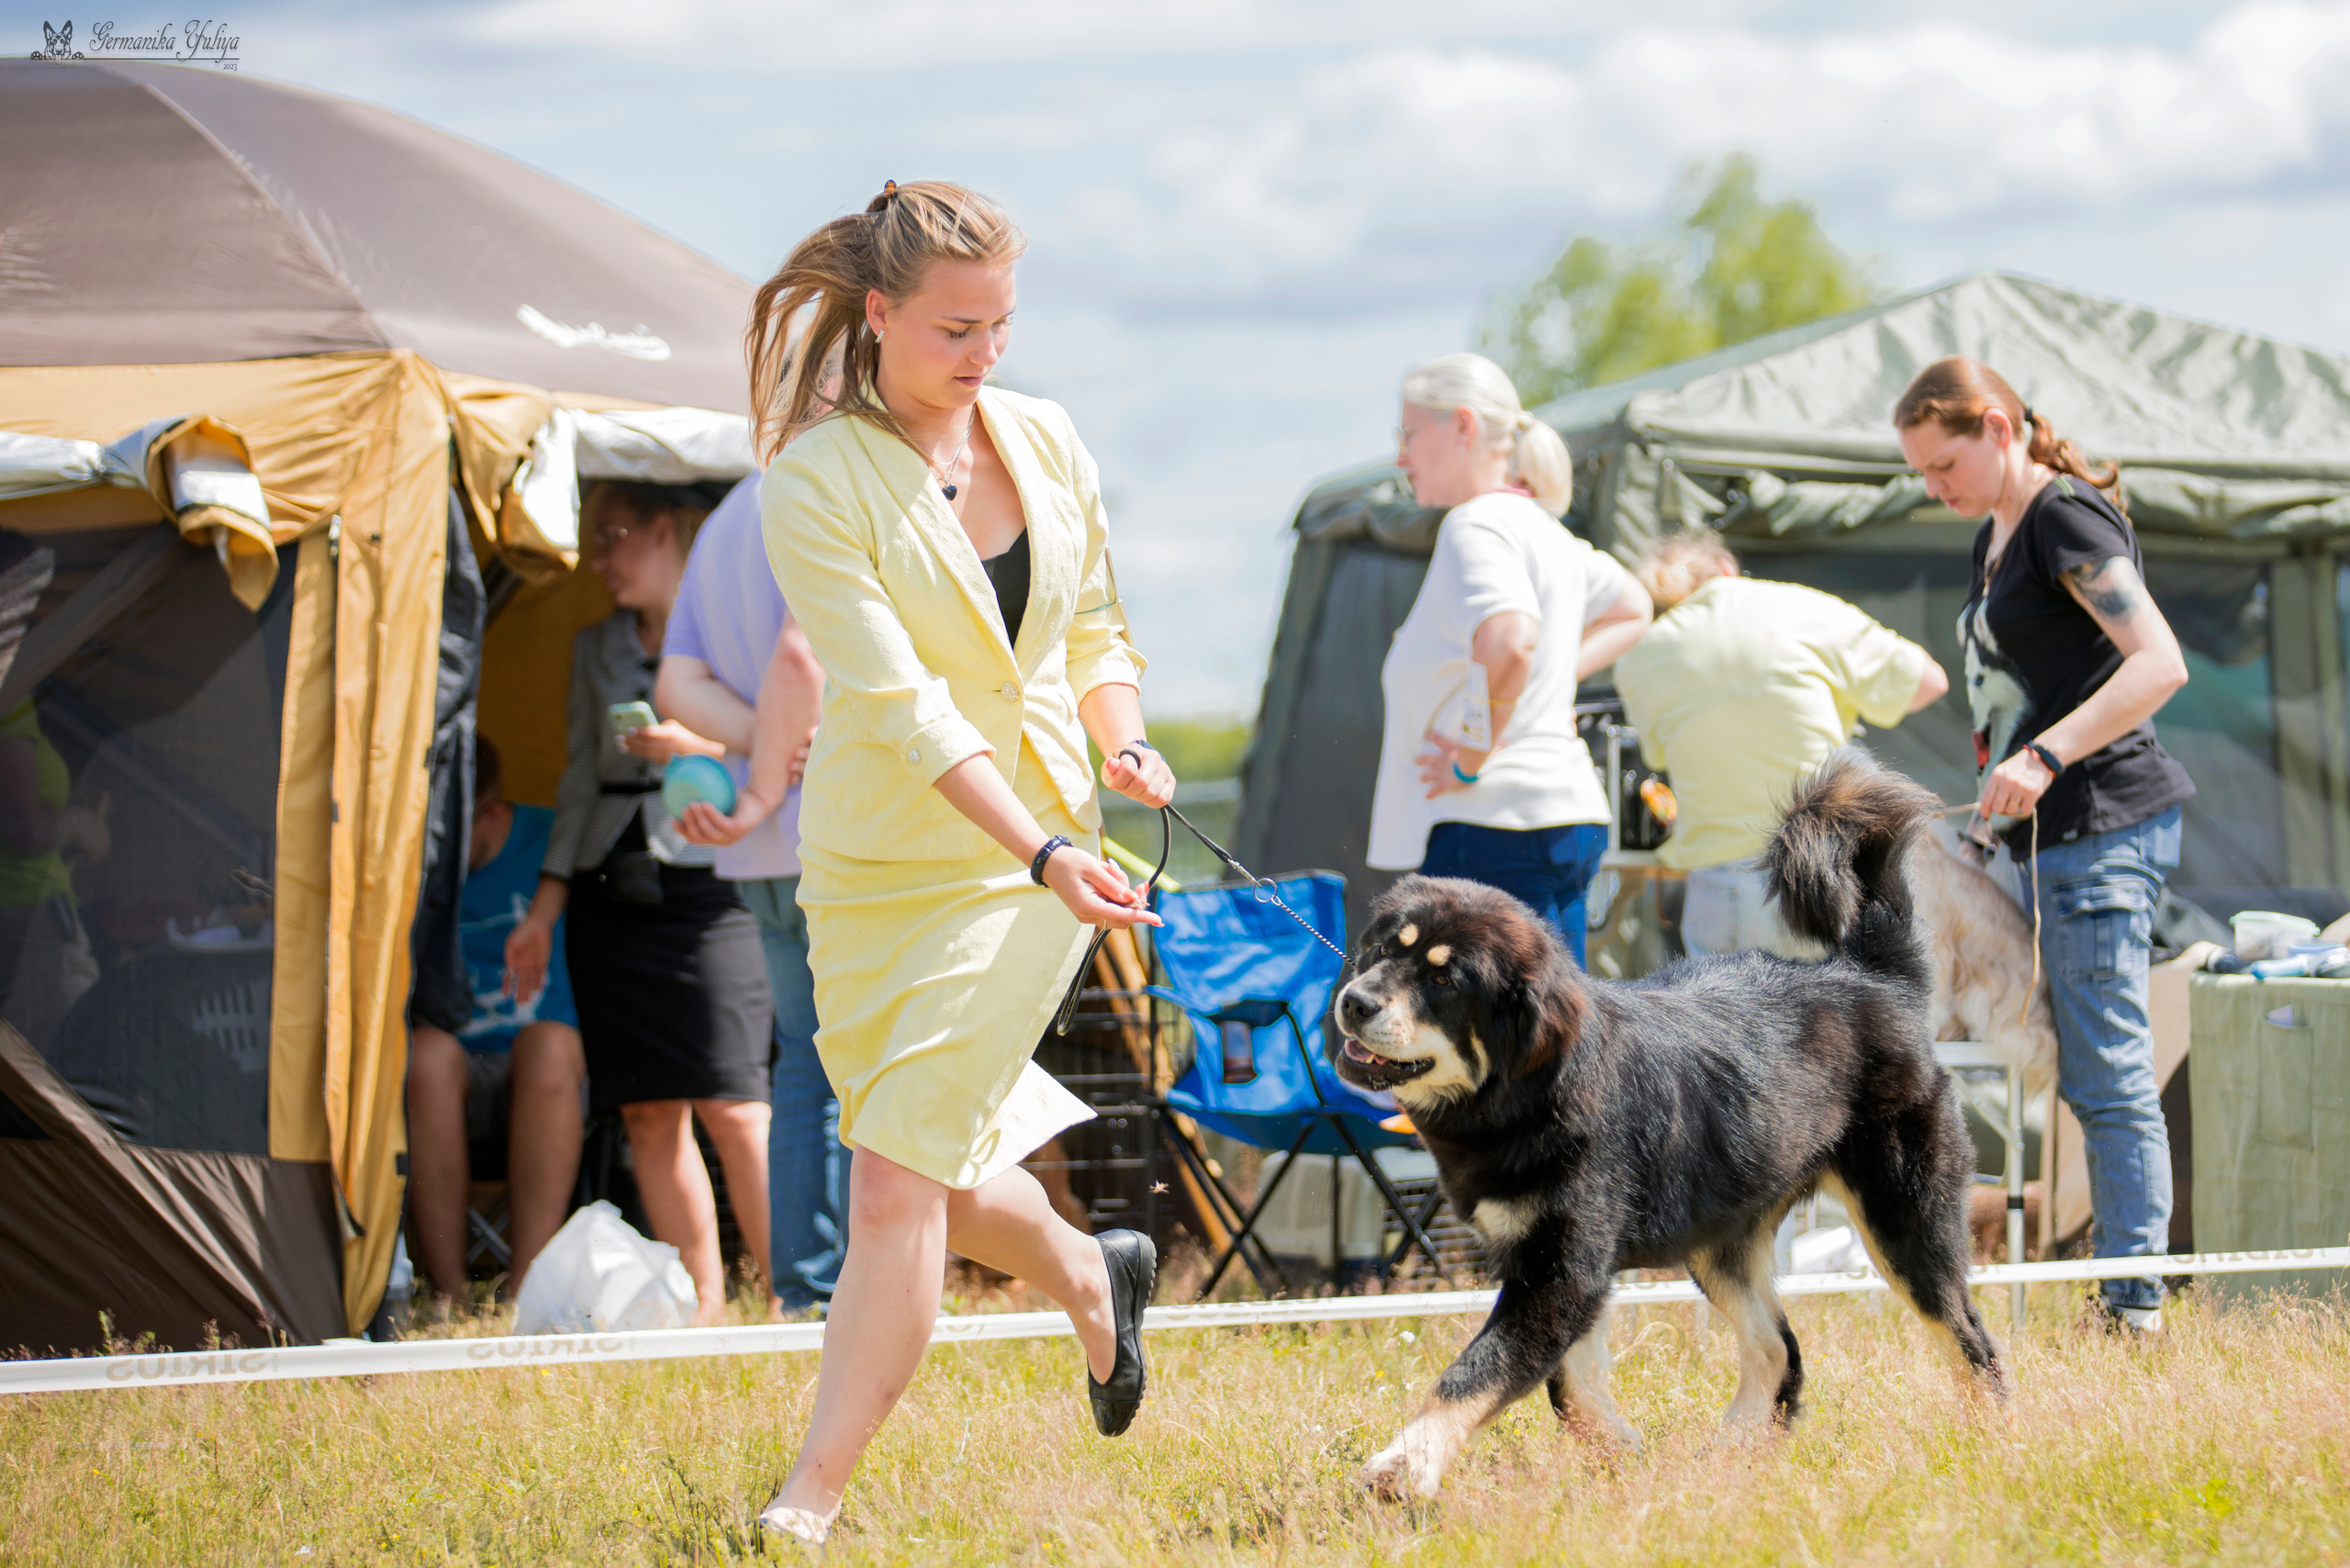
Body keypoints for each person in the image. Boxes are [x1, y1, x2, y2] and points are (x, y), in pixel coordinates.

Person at [744, 180, 1171, 1545]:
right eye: (955, 328)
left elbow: (1094, 622)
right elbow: (900, 703)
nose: (987, 353)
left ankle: (809, 1496)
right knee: (912, 1150)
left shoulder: (1045, 436)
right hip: (884, 862)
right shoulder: (812, 483)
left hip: (1032, 858)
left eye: (1001, 324)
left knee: (887, 1177)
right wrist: (1041, 844)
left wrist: (1122, 746)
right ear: (878, 317)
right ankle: (1092, 1274)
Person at [1895, 356, 2193, 1337]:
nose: (1934, 488)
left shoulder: (2064, 514)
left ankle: (2133, 1307)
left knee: (2106, 1068)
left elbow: (2159, 663)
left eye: (1943, 464)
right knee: (2078, 1065)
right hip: (2039, 838)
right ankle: (2118, 1284)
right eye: (1922, 474)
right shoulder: (1994, 533)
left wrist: (2048, 753)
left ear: (1995, 426)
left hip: (2104, 822)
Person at [506, 480, 778, 1326]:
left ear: (667, 534)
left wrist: (690, 740)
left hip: (714, 881)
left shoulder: (735, 628)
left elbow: (789, 736)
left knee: (736, 1106)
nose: (599, 559)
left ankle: (792, 1296)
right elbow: (579, 781)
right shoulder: (595, 647)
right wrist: (543, 914)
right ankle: (703, 1310)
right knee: (651, 1114)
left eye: (613, 536)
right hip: (608, 895)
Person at [1366, 352, 1652, 965]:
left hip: (1491, 825)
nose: (1399, 457)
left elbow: (1509, 638)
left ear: (1463, 426)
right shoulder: (1545, 530)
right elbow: (1633, 606)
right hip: (1563, 816)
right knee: (1558, 1043)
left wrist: (1473, 755)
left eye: (1408, 434)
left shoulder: (1475, 525)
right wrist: (1551, 683)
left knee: (1489, 1051)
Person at [655, 470, 845, 1313]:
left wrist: (761, 751)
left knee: (805, 1063)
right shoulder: (834, 485)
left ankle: (808, 1291)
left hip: (758, 851)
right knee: (860, 1069)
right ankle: (852, 1286)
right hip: (838, 833)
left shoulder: (729, 516)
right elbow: (802, 655)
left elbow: (677, 687)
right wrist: (781, 763)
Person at [1615, 529, 1949, 958]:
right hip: (1821, 875)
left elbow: (1658, 755)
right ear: (1726, 569)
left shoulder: (1639, 656)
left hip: (1718, 886)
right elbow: (1928, 681)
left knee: (1725, 1026)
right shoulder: (1798, 605)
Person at [404, 737, 586, 1305]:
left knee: (551, 1045)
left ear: (490, 811)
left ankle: (526, 1292)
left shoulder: (550, 842)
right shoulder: (410, 862)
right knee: (426, 1054)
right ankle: (447, 1295)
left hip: (545, 1074)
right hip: (453, 1072)